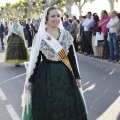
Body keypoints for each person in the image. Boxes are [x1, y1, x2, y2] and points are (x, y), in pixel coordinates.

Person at [22, 6, 87, 120]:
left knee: (67, 105)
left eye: (58, 16)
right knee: (48, 105)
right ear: (46, 19)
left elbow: (71, 58)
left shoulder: (66, 35)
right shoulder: (41, 36)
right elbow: (36, 61)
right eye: (53, 16)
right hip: (46, 76)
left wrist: (77, 77)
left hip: (65, 75)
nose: (56, 18)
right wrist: (31, 80)